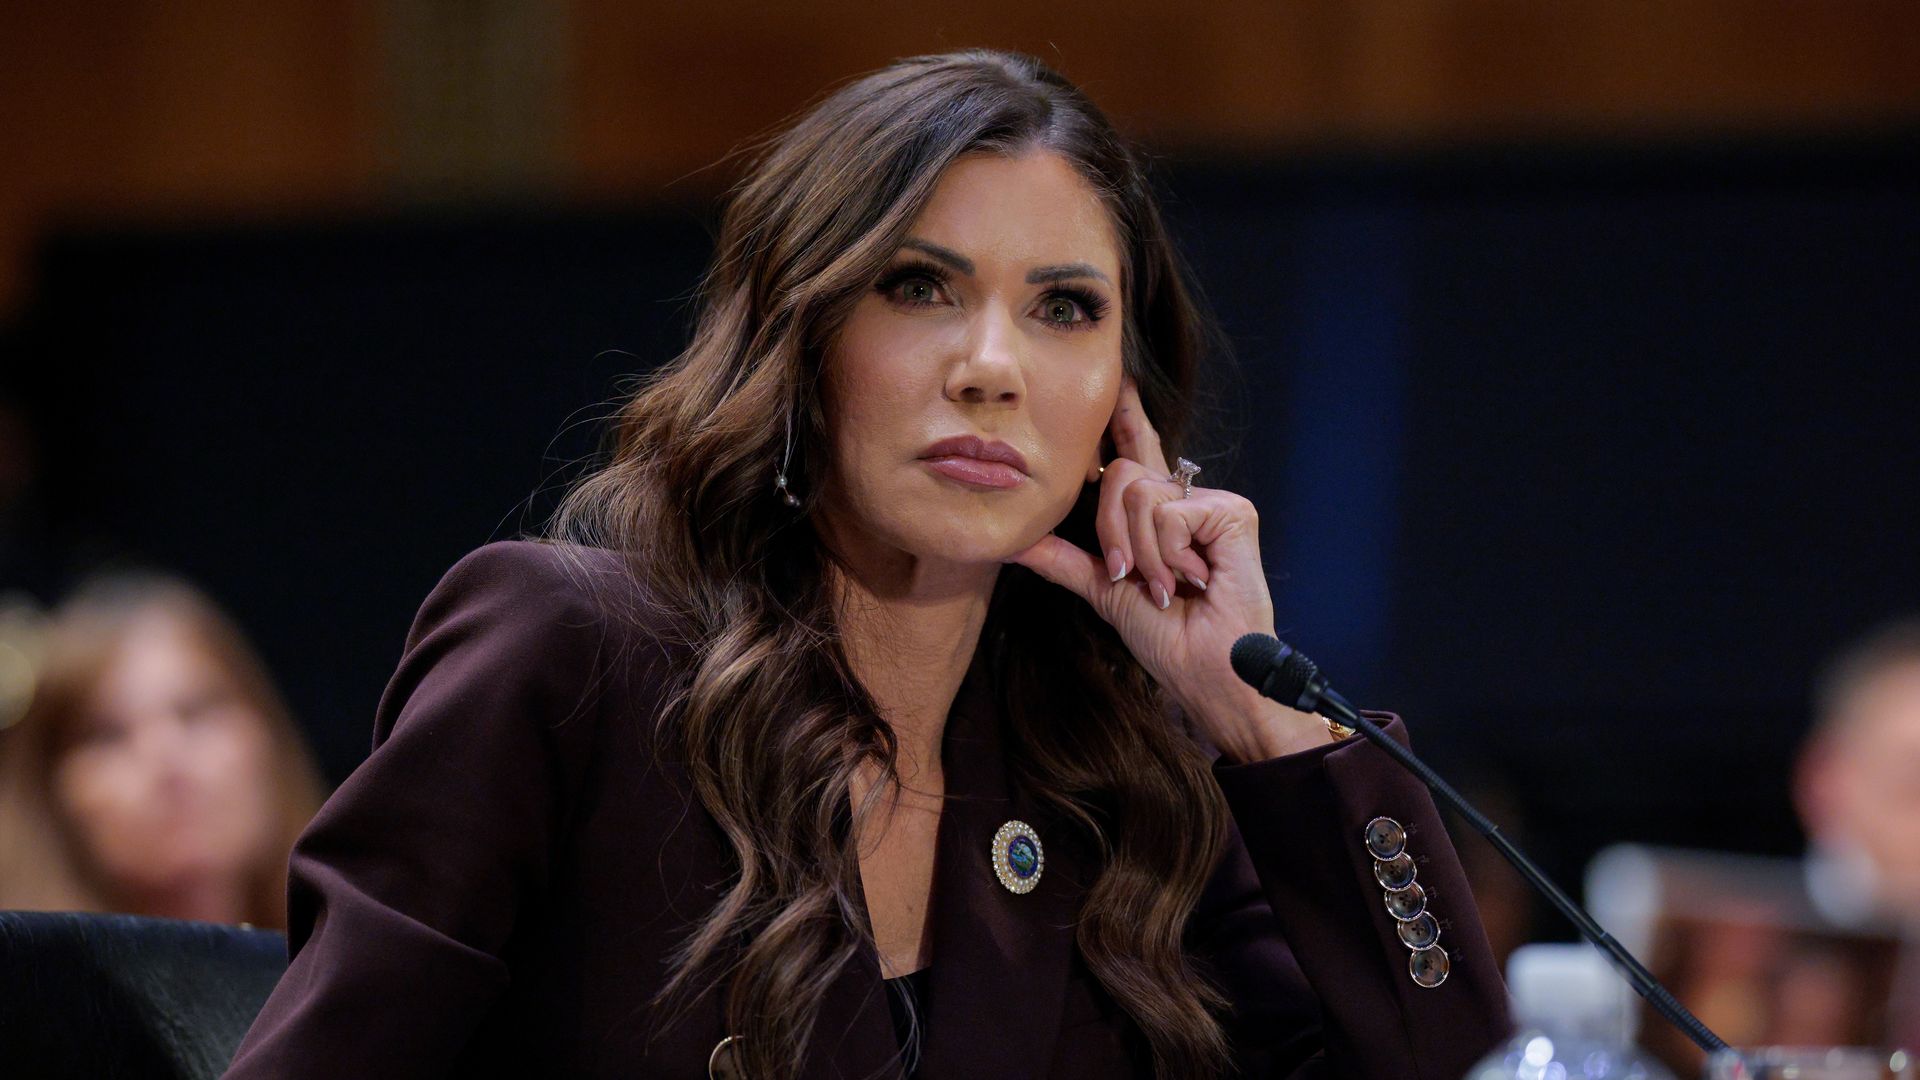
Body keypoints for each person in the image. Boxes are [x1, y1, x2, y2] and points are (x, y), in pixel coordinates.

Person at [225, 49, 1512, 1079]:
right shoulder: (568, 655)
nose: (992, 366)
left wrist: (1262, 724)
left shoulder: (1118, 767)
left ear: (1123, 401)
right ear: (801, 336)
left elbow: (1449, 1063)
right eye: (919, 287)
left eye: (1065, 308)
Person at [0, 570, 325, 928]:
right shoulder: (23, 982)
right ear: (48, 789)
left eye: (196, 710)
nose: (167, 758)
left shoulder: (372, 961)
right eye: (110, 734)